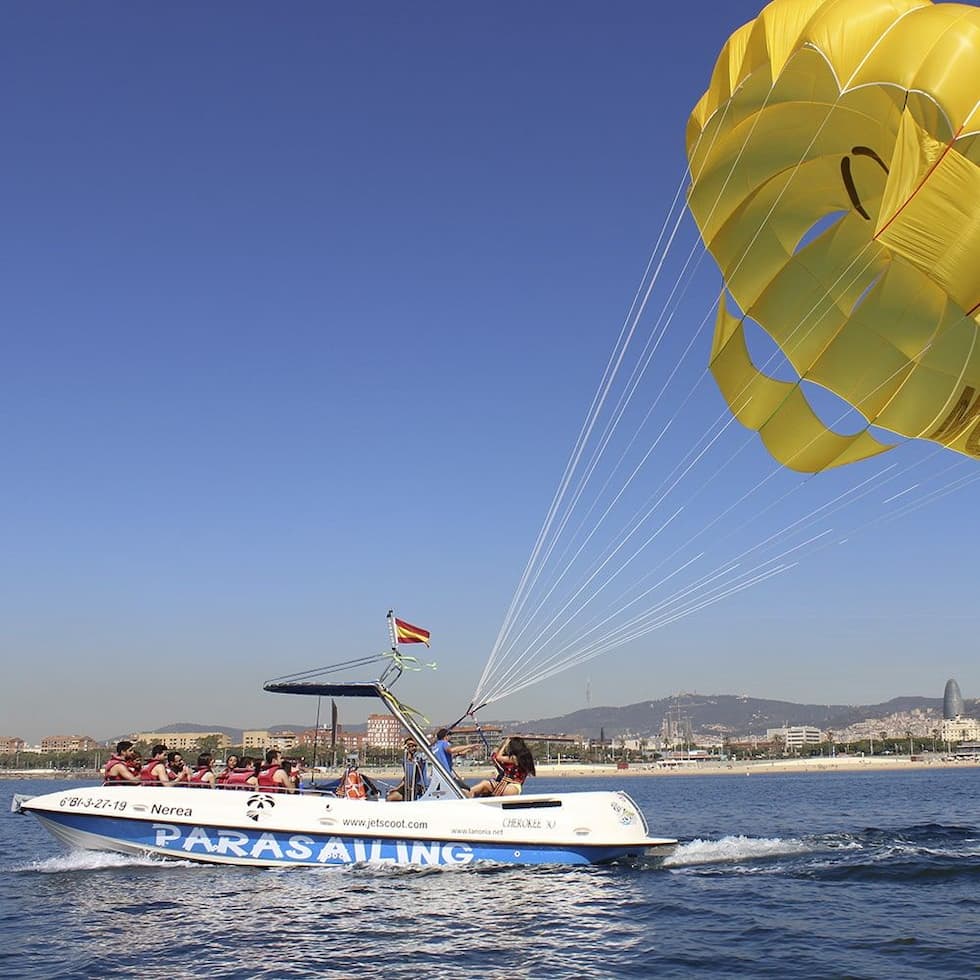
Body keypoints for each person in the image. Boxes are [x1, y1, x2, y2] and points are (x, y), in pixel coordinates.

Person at [469, 737, 536, 797]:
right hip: (513, 787)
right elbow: (502, 767)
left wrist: (504, 745)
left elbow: (498, 757)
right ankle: (470, 794)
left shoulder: (514, 758)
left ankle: (468, 793)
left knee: (485, 784)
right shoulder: (523, 758)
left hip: (511, 787)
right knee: (484, 788)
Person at [387, 737, 428, 802]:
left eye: (414, 746)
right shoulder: (405, 761)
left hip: (419, 787)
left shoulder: (418, 757)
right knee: (390, 797)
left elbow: (422, 757)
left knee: (411, 791)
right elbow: (406, 777)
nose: (413, 748)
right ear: (406, 747)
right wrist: (397, 788)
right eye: (410, 746)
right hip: (408, 787)